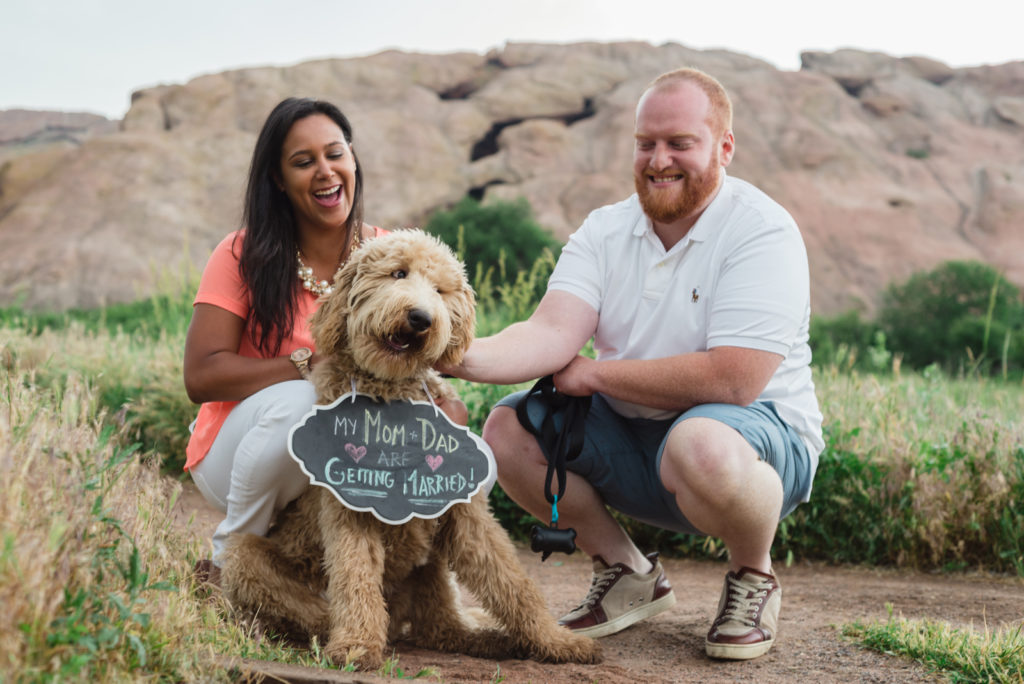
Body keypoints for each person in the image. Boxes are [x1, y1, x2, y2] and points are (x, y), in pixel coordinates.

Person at [443, 68, 823, 661]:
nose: (658, 159)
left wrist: (593, 374)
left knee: (699, 441)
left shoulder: (762, 230)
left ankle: (754, 575)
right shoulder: (605, 230)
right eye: (646, 143)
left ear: (724, 147)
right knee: (507, 430)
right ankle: (627, 573)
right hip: (639, 438)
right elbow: (549, 332)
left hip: (753, 443)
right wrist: (452, 352)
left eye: (680, 143)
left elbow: (734, 379)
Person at [182, 97, 466, 585]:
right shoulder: (241, 254)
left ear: (353, 159)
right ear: (277, 178)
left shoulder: (394, 253)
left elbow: (431, 352)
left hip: (346, 458)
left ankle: (379, 588)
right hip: (238, 453)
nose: (325, 172)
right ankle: (229, 567)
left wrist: (445, 414)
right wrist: (308, 363)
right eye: (303, 161)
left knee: (432, 426)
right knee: (306, 402)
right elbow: (201, 375)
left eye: (335, 154)